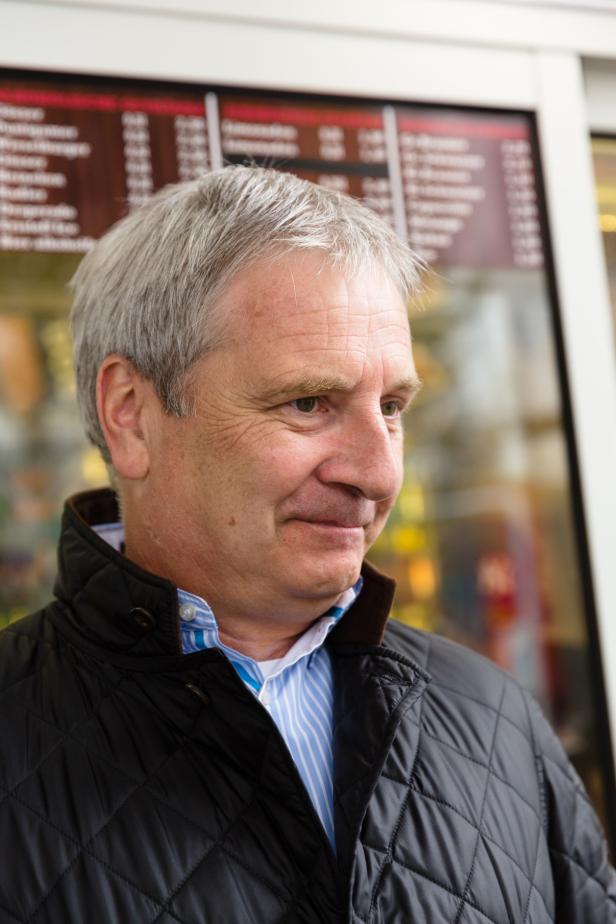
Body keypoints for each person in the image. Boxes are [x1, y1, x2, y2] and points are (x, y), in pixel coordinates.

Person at [0, 166, 614, 924]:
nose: (377, 470)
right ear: (131, 414)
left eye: (391, 406)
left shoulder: (493, 718)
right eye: (307, 402)